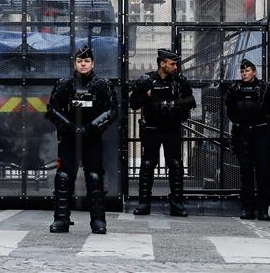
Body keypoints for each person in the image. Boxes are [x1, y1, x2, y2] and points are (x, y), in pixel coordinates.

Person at [45, 45, 118, 234]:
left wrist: (89, 128)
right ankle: (61, 219)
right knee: (63, 177)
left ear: (92, 63)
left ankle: (98, 221)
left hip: (91, 137)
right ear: (74, 63)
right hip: (69, 137)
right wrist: (71, 127)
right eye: (80, 61)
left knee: (94, 177)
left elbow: (111, 111)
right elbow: (52, 109)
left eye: (86, 61)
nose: (83, 64)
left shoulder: (102, 85)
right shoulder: (64, 84)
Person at [130, 48, 196, 216]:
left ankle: (177, 204)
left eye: (176, 64)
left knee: (175, 165)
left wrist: (176, 103)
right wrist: (147, 95)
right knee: (147, 165)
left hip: (172, 128)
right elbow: (133, 103)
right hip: (152, 128)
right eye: (172, 64)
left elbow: (191, 101)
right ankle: (144, 203)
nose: (175, 67)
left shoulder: (179, 81)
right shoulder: (147, 80)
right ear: (162, 63)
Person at [224, 58, 270, 221]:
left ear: (254, 72)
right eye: (242, 71)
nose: (244, 73)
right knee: (246, 172)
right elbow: (230, 109)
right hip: (242, 133)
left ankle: (263, 209)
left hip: (260, 132)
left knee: (263, 171)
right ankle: (247, 208)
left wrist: (266, 124)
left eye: (247, 70)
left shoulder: (265, 88)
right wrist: (239, 122)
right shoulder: (235, 88)